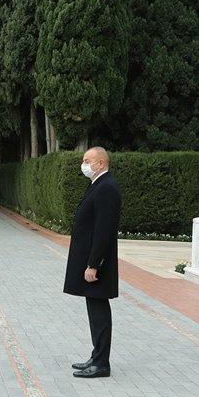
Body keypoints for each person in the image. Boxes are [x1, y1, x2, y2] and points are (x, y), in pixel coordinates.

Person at [64, 147, 121, 379]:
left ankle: (101, 364)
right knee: (94, 308)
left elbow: (104, 231)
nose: (83, 164)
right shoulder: (98, 184)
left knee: (99, 310)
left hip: (97, 264)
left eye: (87, 160)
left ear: (100, 163)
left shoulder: (107, 188)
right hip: (91, 260)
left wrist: (94, 264)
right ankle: (96, 356)